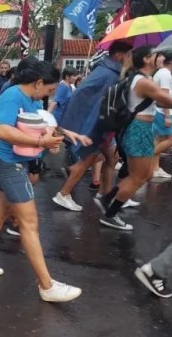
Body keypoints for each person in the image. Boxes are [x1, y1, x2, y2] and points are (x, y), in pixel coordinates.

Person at [0, 59, 90, 303]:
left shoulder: (30, 98)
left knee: (0, 213)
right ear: (38, 82)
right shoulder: (13, 97)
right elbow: (3, 131)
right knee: (29, 222)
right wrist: (42, 143)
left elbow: (38, 125)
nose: (48, 95)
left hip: (12, 162)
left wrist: (65, 134)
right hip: (10, 165)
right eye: (49, 90)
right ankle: (47, 285)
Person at [95, 46, 172, 231]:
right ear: (147, 59)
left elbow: (159, 101)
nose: (161, 58)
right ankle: (110, 212)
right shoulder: (143, 81)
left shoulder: (144, 79)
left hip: (142, 128)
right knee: (138, 176)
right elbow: (167, 100)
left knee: (146, 174)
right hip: (138, 129)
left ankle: (107, 199)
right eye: (157, 55)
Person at [53, 41, 134, 212]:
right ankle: (64, 193)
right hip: (98, 126)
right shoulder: (110, 75)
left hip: (100, 125)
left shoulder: (106, 71)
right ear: (119, 55)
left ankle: (108, 194)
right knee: (86, 161)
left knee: (111, 159)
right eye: (129, 55)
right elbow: (100, 105)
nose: (131, 59)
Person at [151, 51, 172, 179]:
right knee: (169, 140)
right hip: (162, 112)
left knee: (160, 140)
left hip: (159, 111)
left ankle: (155, 168)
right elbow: (164, 96)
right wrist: (167, 116)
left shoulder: (162, 73)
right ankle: (147, 159)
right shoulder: (165, 74)